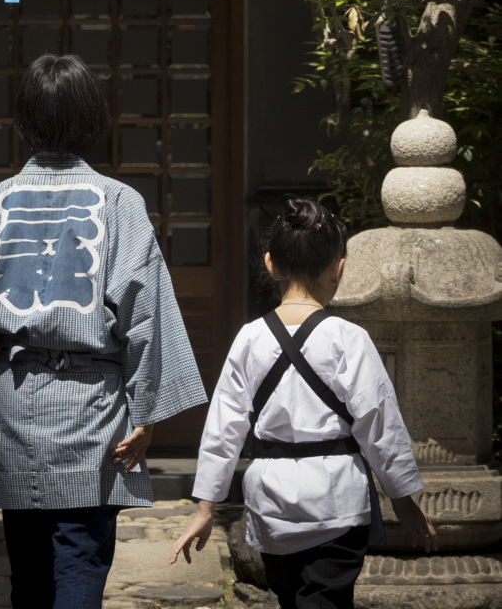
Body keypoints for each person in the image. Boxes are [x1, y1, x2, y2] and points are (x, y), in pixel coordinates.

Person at [0, 53, 206, 609]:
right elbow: (145, 313)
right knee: (81, 559)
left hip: (15, 405)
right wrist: (146, 412)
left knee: (27, 570)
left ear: (24, 120)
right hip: (92, 408)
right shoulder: (120, 202)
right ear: (91, 119)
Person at [170, 194, 437, 609]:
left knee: (290, 599)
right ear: (339, 268)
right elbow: (380, 425)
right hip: (336, 499)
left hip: (271, 502)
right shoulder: (350, 339)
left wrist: (206, 506)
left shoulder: (249, 338)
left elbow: (223, 428)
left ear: (270, 264)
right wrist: (402, 500)